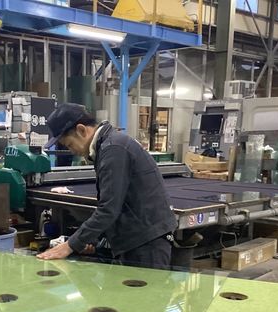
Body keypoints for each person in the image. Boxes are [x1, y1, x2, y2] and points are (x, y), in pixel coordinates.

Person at [36, 103, 177, 270]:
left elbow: (108, 209)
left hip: (146, 242)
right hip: (138, 238)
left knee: (147, 287)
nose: (71, 151)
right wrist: (91, 240)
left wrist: (70, 245)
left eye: (69, 145)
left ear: (81, 130)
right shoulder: (108, 146)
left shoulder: (113, 149)